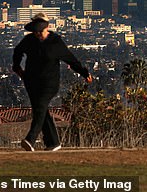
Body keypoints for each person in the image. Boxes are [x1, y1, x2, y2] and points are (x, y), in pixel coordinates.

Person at [12, 12, 92, 151]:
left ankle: (30, 139)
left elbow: (71, 59)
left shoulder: (56, 43)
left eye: (40, 31)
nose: (38, 34)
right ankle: (53, 143)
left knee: (40, 108)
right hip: (31, 81)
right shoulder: (29, 40)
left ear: (47, 28)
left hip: (49, 84)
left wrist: (84, 73)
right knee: (41, 111)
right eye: (35, 31)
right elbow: (17, 51)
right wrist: (17, 68)